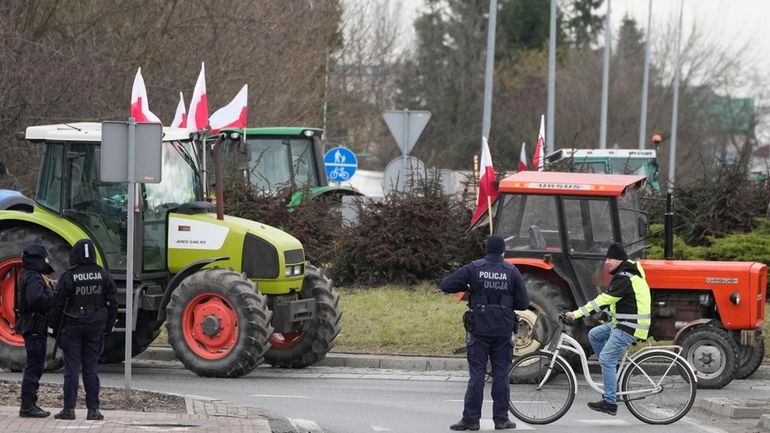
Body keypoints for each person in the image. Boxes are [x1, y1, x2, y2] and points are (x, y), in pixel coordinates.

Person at [440, 235, 529, 431]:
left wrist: (470, 287)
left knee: (477, 375)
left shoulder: (474, 268)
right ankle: (501, 420)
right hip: (503, 330)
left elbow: (446, 285)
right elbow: (523, 303)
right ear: (503, 252)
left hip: (479, 329)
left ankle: (471, 420)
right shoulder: (512, 271)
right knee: (501, 374)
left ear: (486, 251)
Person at [565, 242, 651, 416]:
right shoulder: (625, 275)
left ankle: (610, 402)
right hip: (623, 322)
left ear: (619, 260)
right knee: (595, 334)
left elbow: (605, 299)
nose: (606, 262)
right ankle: (612, 373)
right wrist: (604, 317)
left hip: (630, 326)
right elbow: (616, 302)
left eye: (610, 259)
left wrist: (578, 313)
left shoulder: (625, 277)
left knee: (606, 358)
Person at [48, 239, 117, 421]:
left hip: (73, 326)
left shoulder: (69, 276)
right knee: (91, 369)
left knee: (71, 370)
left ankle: (69, 410)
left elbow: (57, 305)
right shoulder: (103, 275)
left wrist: (53, 331)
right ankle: (93, 410)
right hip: (96, 326)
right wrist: (107, 327)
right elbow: (113, 304)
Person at [16, 244, 55, 418]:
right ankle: (27, 405)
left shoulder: (33, 275)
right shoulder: (32, 277)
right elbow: (36, 299)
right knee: (34, 365)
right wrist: (53, 298)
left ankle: (30, 403)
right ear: (38, 260)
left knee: (36, 364)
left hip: (35, 326)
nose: (48, 261)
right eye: (45, 258)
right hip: (34, 326)